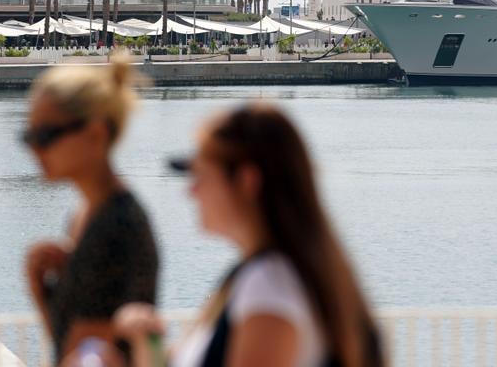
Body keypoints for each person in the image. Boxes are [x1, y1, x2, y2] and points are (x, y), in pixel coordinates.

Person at [114, 102, 382, 367]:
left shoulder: (269, 285)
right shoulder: (264, 275)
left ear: (246, 180)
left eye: (201, 176)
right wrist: (146, 343)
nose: (191, 192)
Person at [22, 55, 159, 364]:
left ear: (95, 134)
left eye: (45, 136)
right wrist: (42, 293)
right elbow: (74, 346)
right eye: (28, 137)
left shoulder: (115, 225)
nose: (35, 149)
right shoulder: (88, 214)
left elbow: (90, 353)